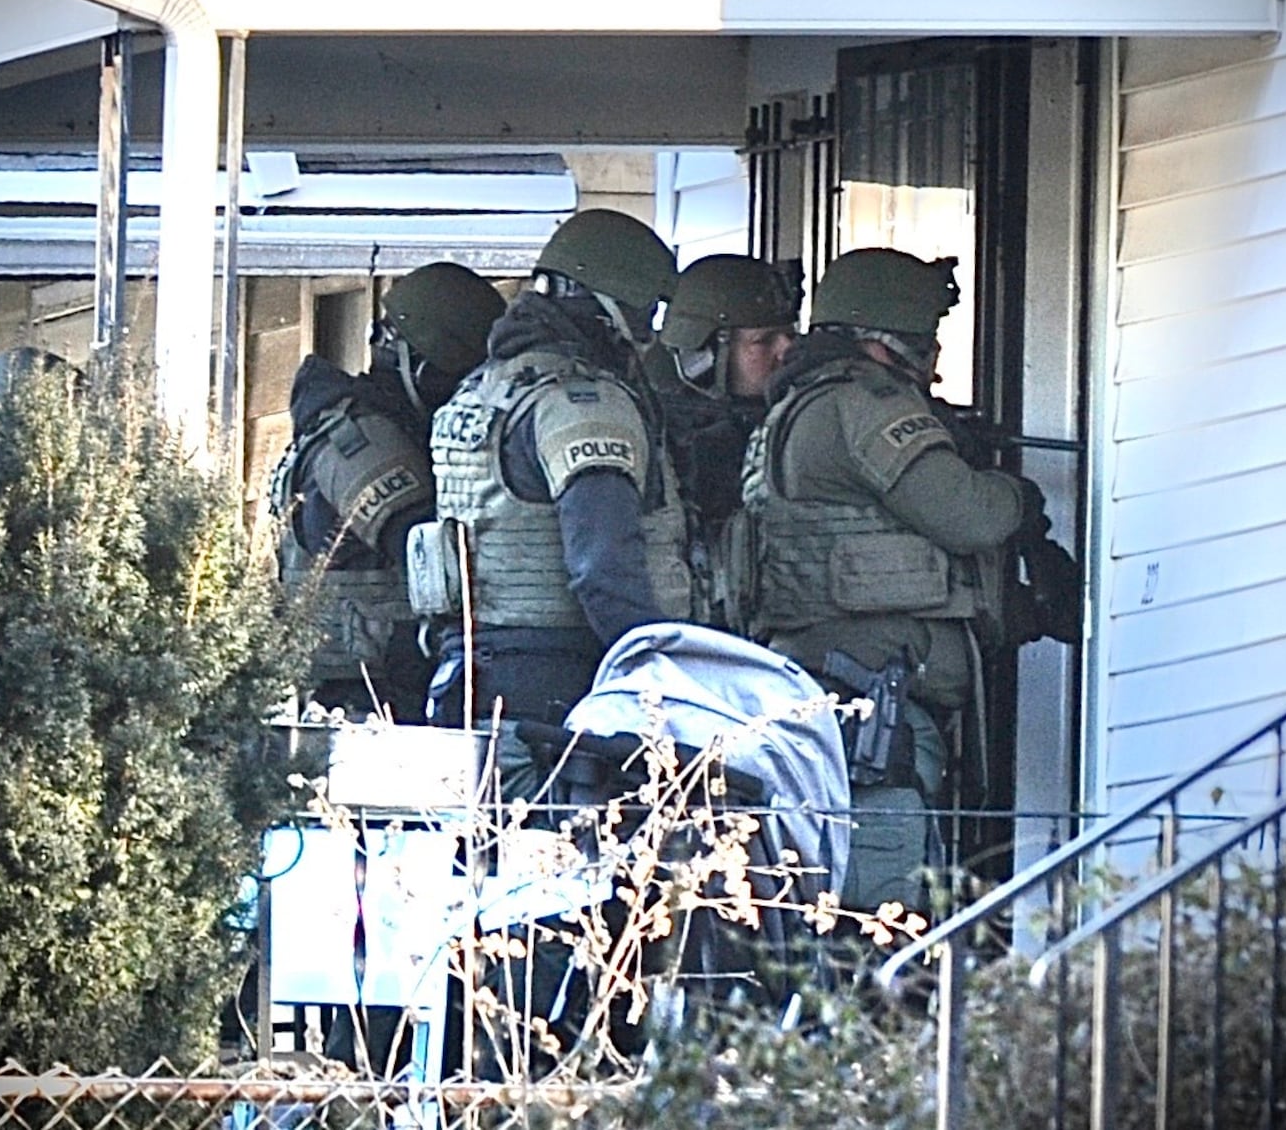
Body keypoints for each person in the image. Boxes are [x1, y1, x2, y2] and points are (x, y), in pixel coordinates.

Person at [737, 247, 1073, 912]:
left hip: (833, 696)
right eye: (925, 343)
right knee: (879, 915)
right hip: (874, 715)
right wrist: (1017, 495)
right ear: (883, 344)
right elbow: (969, 515)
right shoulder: (864, 403)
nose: (935, 362)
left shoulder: (799, 408)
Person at [422, 207, 688, 732]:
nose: (651, 335)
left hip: (479, 671)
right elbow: (603, 565)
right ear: (611, 308)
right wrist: (659, 677)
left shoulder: (482, 390)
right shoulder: (582, 402)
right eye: (647, 313)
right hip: (565, 680)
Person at [270, 261, 506, 722]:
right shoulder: (363, 443)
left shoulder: (358, 425)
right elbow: (436, 568)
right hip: (364, 697)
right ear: (420, 366)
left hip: (366, 688)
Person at [649, 253, 798, 623]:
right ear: (702, 354)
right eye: (763, 341)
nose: (786, 351)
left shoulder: (791, 421)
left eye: (790, 335)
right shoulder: (660, 433)